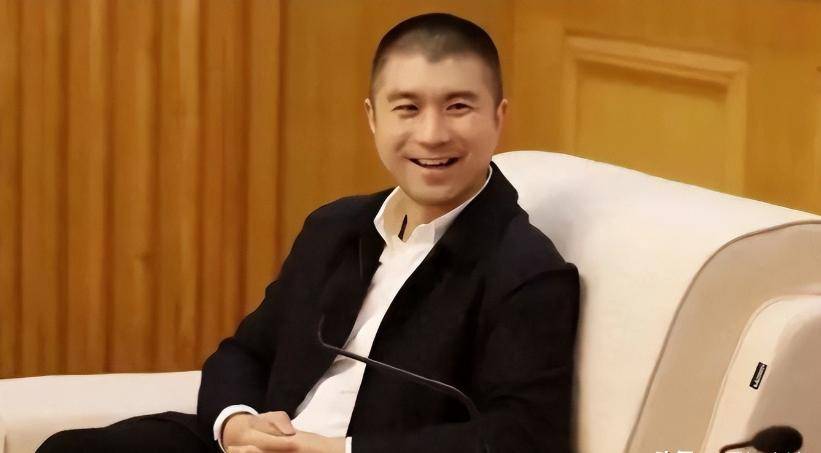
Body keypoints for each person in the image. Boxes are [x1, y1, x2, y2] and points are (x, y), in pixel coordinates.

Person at [38, 12, 579, 453]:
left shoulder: (526, 272)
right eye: (407, 108)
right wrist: (237, 422)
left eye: (458, 107)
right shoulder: (335, 227)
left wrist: (339, 451)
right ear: (373, 118)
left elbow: (522, 438)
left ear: (499, 118)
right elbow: (245, 352)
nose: (432, 134)